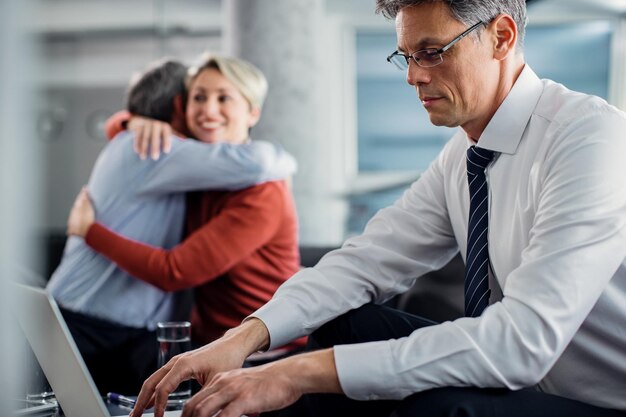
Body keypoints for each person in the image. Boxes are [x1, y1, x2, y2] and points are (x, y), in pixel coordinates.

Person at [127, 1, 626, 417]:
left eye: (431, 53)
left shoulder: (589, 137)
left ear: (501, 35)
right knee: (342, 324)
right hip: (528, 381)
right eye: (406, 56)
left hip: (591, 399)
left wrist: (296, 372)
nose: (412, 76)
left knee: (436, 405)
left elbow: (522, 343)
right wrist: (243, 340)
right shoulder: (464, 156)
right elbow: (363, 262)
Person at [47, 58, 297, 395]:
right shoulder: (176, 157)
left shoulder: (254, 186)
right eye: (198, 97)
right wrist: (130, 123)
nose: (208, 109)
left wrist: (90, 230)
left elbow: (176, 271)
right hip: (184, 338)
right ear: (180, 105)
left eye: (224, 98)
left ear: (252, 112)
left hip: (262, 348)